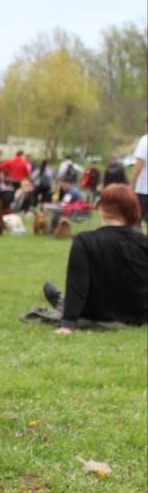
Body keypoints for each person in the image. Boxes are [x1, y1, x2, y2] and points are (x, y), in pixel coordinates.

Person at [42, 184, 147, 335]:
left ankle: (60, 302)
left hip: (96, 312)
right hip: (138, 314)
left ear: (101, 208)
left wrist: (68, 323)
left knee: (59, 296)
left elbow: (78, 284)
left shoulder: (85, 241)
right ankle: (60, 301)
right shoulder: (143, 242)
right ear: (134, 211)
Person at [131, 121, 147, 226]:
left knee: (136, 222)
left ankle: (139, 243)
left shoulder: (145, 141)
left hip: (144, 190)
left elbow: (138, 167)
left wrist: (131, 186)